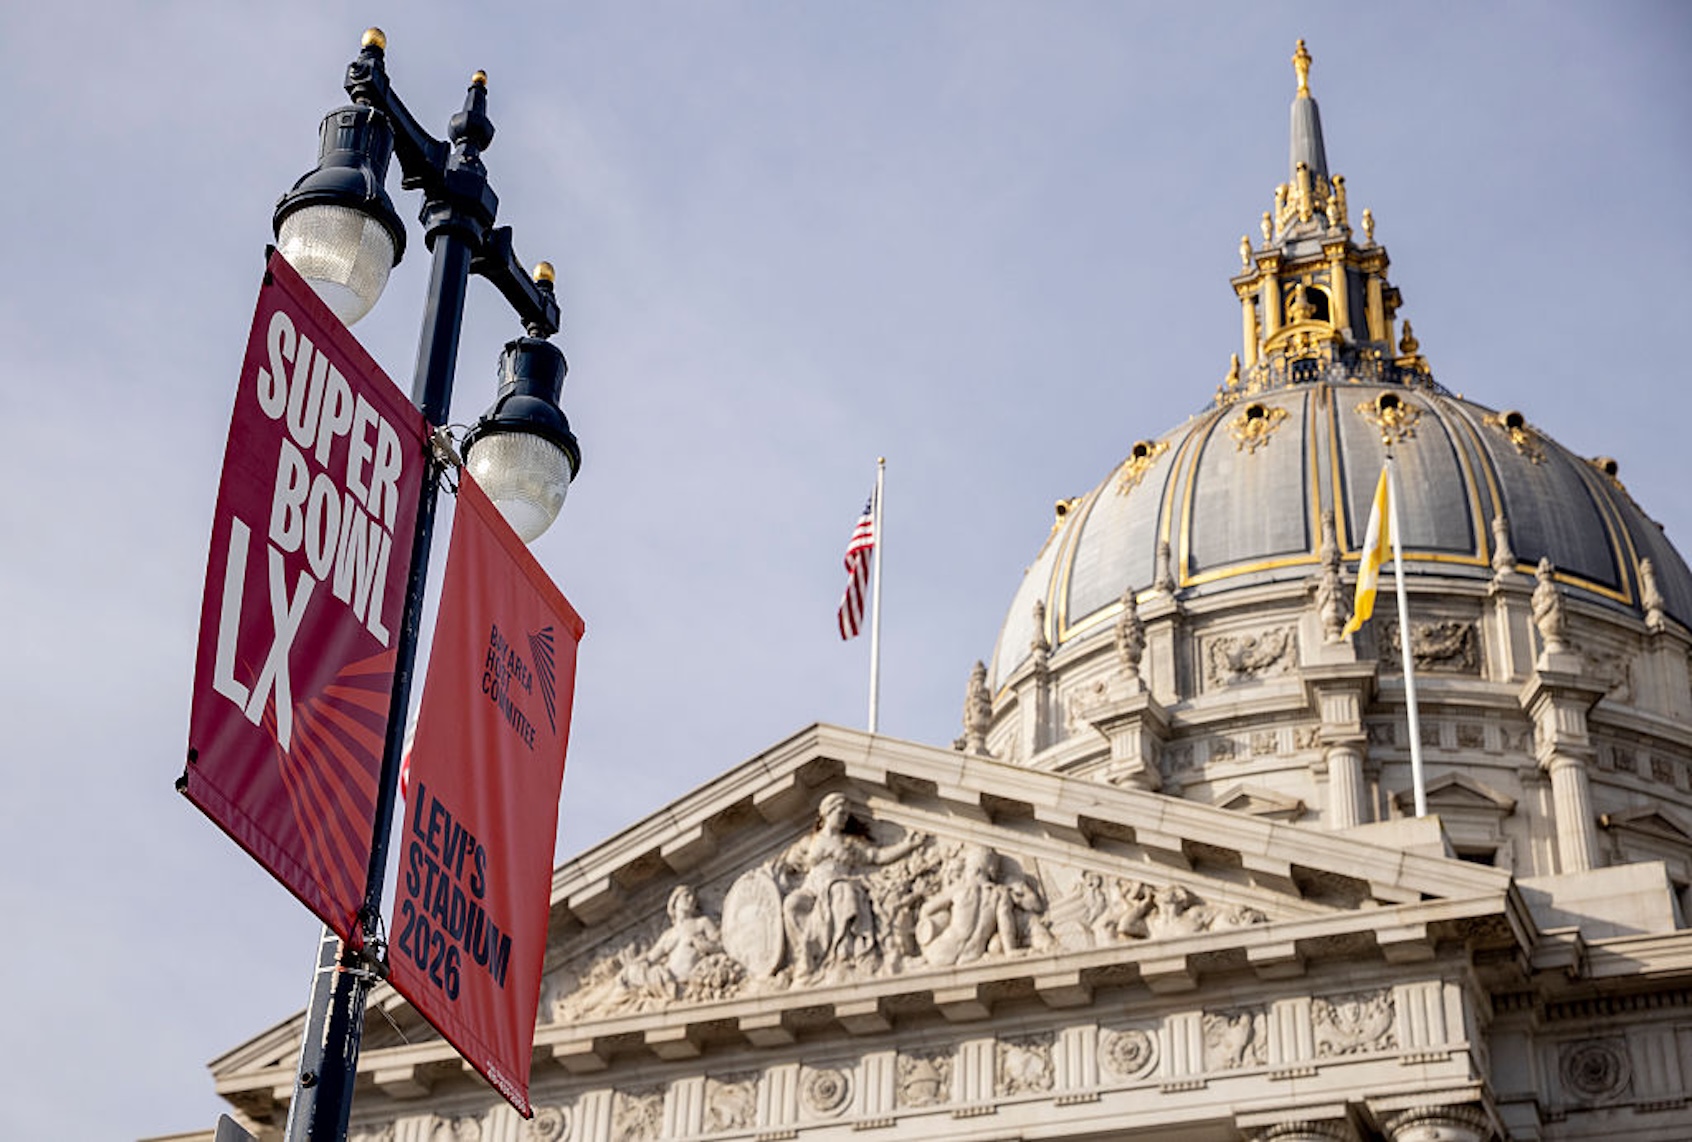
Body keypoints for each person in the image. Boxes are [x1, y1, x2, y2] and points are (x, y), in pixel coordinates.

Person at [781, 793, 927, 978]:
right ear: (827, 813)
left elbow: (877, 856)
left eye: (846, 815)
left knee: (843, 891)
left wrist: (907, 845)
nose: (844, 818)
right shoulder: (809, 842)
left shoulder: (849, 844)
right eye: (840, 813)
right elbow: (788, 864)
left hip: (837, 882)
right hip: (812, 887)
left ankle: (842, 952)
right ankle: (806, 954)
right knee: (791, 904)